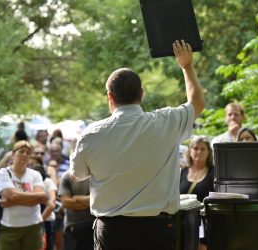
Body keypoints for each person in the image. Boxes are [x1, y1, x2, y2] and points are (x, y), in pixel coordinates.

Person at [70, 40, 204, 249]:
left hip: (111, 232)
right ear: (141, 94)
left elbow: (77, 174)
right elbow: (197, 102)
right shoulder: (166, 122)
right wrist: (186, 66)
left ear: (110, 98)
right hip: (157, 230)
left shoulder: (91, 134)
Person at [0, 140, 49, 250]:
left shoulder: (35, 174)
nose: (25, 154)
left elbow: (41, 197)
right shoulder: (4, 173)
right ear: (13, 154)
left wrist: (12, 201)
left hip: (33, 226)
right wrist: (36, 197)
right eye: (21, 151)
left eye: (28, 153)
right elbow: (10, 195)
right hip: (9, 227)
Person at [180, 136, 214, 250]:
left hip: (205, 224)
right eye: (195, 148)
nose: (198, 151)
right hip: (182, 223)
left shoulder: (214, 173)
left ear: (209, 152)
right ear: (189, 151)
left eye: (203, 149)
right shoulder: (181, 172)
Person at [59, 170, 95, 250]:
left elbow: (99, 200)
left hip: (94, 226)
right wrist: (91, 203)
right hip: (73, 227)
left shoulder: (96, 175)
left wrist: (76, 198)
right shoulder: (66, 176)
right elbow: (66, 203)